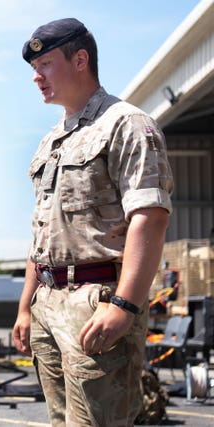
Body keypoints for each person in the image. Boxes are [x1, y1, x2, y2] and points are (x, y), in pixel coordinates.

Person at [11, 18, 174, 426]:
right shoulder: (51, 141)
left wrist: (125, 305)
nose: (36, 77)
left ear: (80, 59)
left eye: (46, 64)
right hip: (47, 300)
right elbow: (42, 232)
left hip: (97, 300)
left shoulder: (127, 124)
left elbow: (149, 218)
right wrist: (26, 308)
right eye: (34, 68)